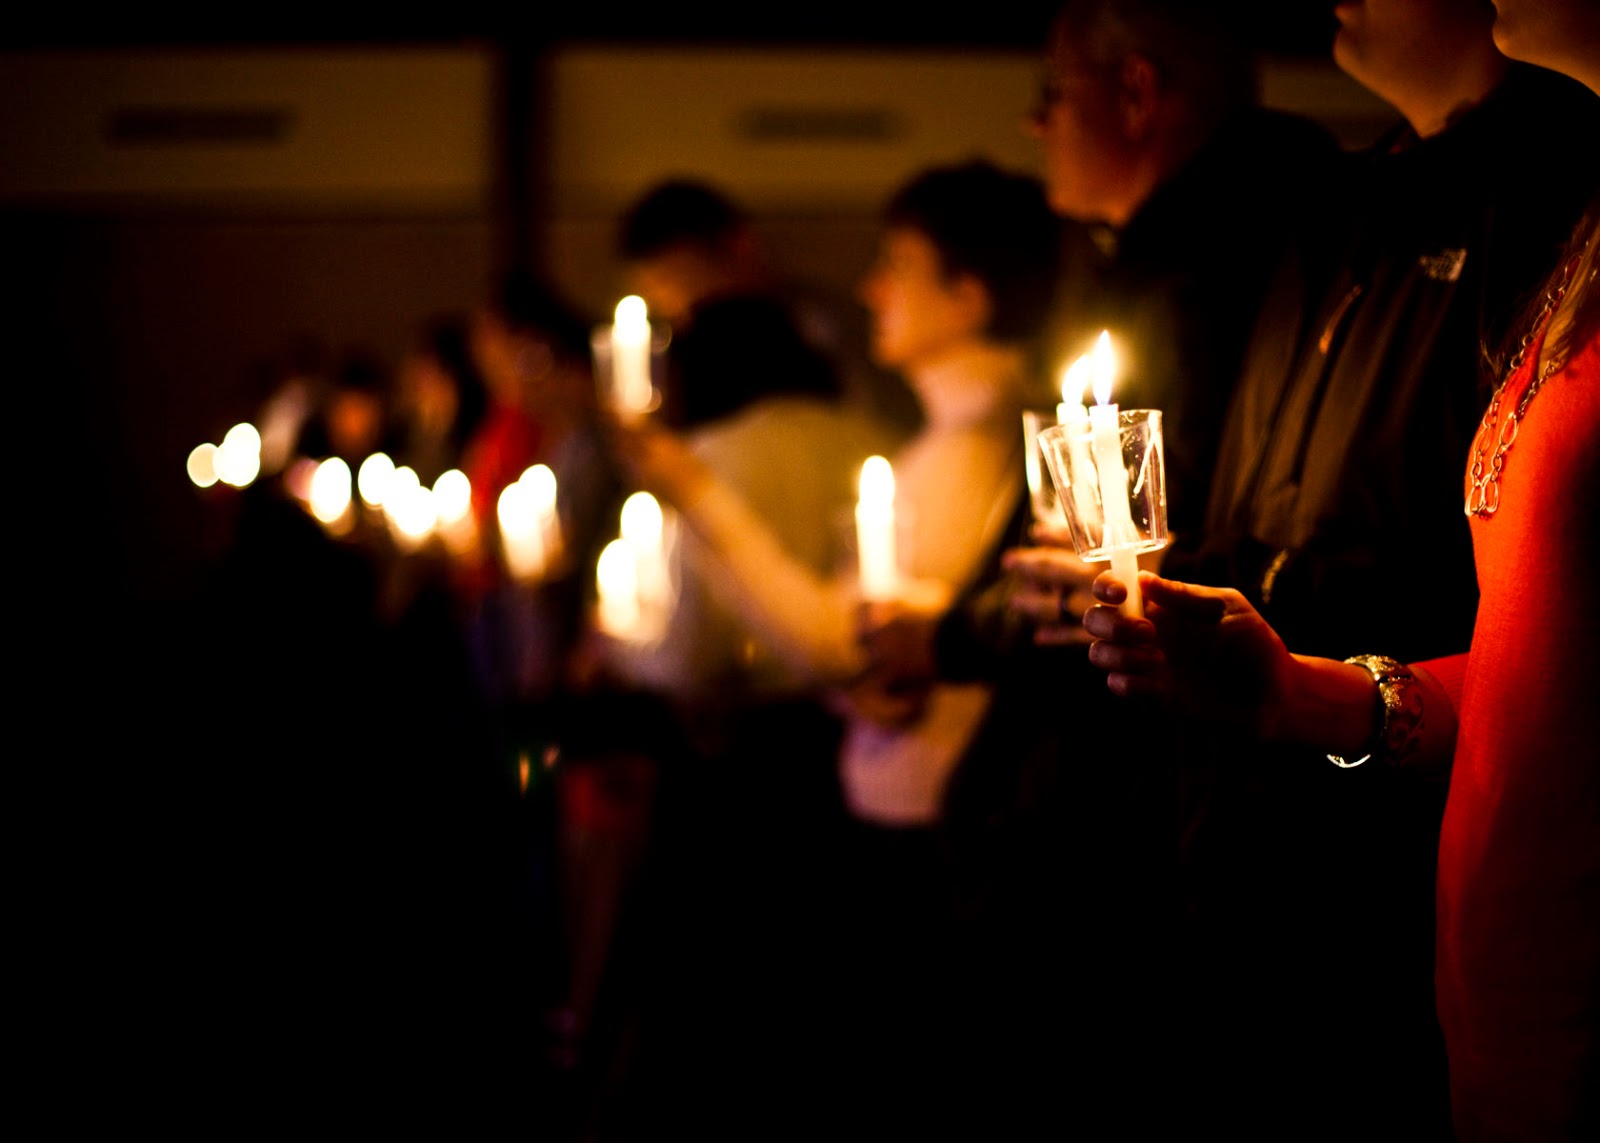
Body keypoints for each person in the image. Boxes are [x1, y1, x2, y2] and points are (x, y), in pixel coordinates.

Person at [1082, 2, 1600, 1134]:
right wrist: (1300, 690)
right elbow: (1543, 673)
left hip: (1449, 935)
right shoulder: (1391, 206)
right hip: (1480, 983)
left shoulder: (1540, 187)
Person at [609, 160, 1061, 1129]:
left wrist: (695, 492)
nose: (869, 289)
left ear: (968, 296)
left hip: (922, 821)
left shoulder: (971, 448)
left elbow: (838, 640)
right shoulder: (945, 436)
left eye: (896, 264)